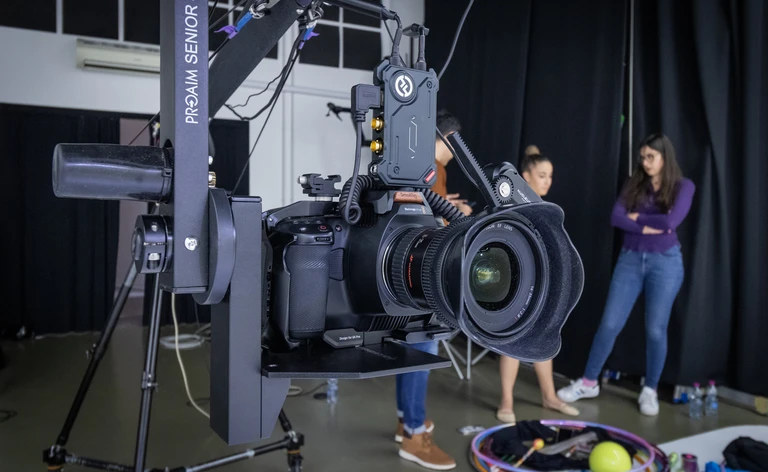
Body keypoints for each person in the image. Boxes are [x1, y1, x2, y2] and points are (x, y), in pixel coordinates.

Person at [557, 133, 695, 416]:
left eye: (651, 157)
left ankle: (650, 389)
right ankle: (588, 382)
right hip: (630, 259)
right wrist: (650, 226)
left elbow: (671, 221)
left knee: (655, 329)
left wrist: (638, 219)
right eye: (642, 157)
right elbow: (616, 217)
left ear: (665, 157)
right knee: (609, 324)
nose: (645, 162)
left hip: (665, 264)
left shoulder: (683, 186)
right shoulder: (634, 183)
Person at [393, 111, 464, 470]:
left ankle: (405, 421)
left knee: (408, 350)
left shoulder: (410, 163)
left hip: (404, 273)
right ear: (447, 138)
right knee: (421, 352)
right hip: (424, 276)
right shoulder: (434, 168)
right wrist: (457, 212)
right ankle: (414, 434)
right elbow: (435, 223)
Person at [496, 150, 579, 424]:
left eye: (550, 176)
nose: (547, 181)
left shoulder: (545, 210)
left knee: (543, 335)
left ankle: (550, 396)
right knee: (513, 340)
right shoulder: (508, 203)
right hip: (513, 285)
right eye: (542, 175)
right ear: (526, 176)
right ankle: (506, 400)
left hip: (539, 285)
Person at [431, 109, 473, 217]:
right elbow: (440, 223)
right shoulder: (436, 168)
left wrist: (444, 202)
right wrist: (460, 213)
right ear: (450, 137)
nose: (454, 152)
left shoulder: (423, 164)